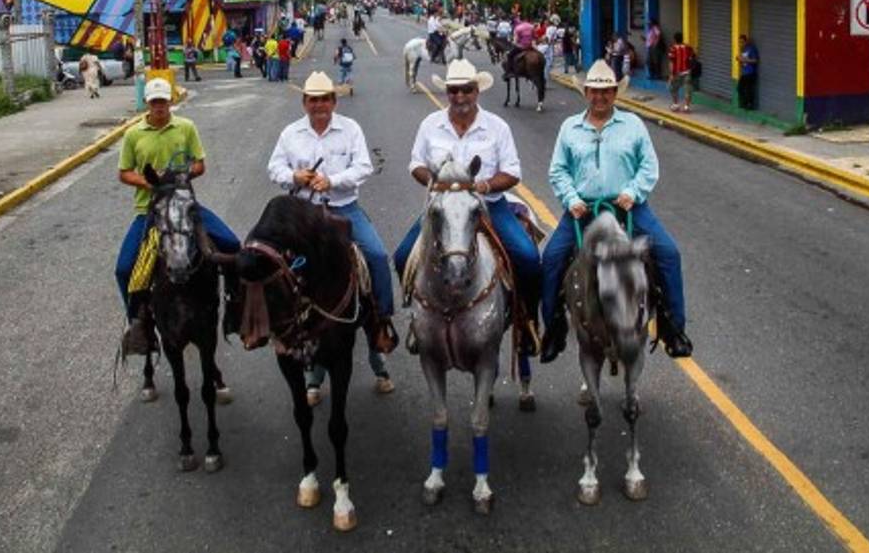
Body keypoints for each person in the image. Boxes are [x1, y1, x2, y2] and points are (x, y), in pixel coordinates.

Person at [538, 60, 692, 363]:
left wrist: (632, 192)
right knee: (552, 258)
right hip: (582, 210)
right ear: (585, 93)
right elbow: (558, 170)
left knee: (669, 253)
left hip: (627, 209)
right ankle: (554, 330)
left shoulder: (633, 125)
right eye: (594, 91)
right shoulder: (569, 127)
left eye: (606, 91)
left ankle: (674, 329)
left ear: (615, 93)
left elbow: (648, 165)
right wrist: (571, 199)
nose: (600, 97)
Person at [392, 59, 541, 348]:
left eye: (466, 90)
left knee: (528, 258)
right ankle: (416, 317)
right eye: (454, 90)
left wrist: (483, 186)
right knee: (401, 256)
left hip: (487, 207)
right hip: (442, 209)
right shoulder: (430, 125)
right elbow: (416, 164)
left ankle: (527, 320)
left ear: (477, 91)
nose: (460, 96)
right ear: (447, 92)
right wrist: (435, 182)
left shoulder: (497, 127)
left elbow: (512, 172)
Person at [267, 71, 399, 380]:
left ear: (334, 102)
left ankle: (381, 320)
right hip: (303, 214)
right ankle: (269, 325)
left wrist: (333, 181)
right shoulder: (290, 133)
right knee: (267, 262)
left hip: (343, 209)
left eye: (324, 99)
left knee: (377, 256)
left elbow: (363, 167)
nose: (319, 105)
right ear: (304, 103)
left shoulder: (350, 129)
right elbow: (274, 167)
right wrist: (294, 176)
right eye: (313, 100)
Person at [115, 77, 241, 355]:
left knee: (232, 244)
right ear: (147, 103)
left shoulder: (186, 127)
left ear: (171, 101)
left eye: (163, 101)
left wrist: (179, 176)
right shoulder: (134, 134)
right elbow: (124, 173)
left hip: (185, 205)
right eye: (154, 102)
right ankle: (139, 325)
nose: (159, 106)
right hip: (149, 210)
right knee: (124, 269)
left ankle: (235, 306)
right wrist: (150, 182)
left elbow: (200, 164)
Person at [667, 33, 695, 112]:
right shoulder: (688, 48)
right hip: (687, 72)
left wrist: (671, 74)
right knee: (687, 90)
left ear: (675, 39)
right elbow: (692, 58)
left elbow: (671, 62)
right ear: (682, 39)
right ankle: (686, 107)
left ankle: (676, 105)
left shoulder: (672, 49)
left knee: (673, 88)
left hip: (677, 73)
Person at [738, 34, 759, 110]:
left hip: (750, 73)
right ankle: (744, 103)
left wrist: (745, 60)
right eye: (740, 42)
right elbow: (742, 60)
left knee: (749, 90)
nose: (741, 43)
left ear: (746, 41)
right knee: (740, 88)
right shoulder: (742, 49)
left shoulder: (751, 49)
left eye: (742, 42)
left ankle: (750, 105)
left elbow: (755, 60)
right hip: (744, 72)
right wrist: (739, 59)